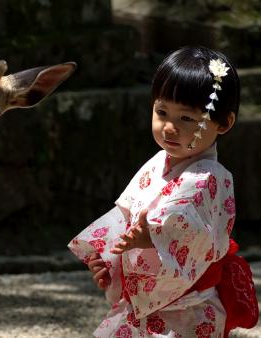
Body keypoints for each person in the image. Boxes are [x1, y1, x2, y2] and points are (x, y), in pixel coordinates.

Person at [68, 46, 258, 338]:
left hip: (187, 310)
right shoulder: (158, 162)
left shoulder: (210, 178)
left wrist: (153, 237)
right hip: (143, 304)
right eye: (162, 112)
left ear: (224, 123)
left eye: (186, 119)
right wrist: (110, 260)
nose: (169, 127)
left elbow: (196, 237)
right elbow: (126, 218)